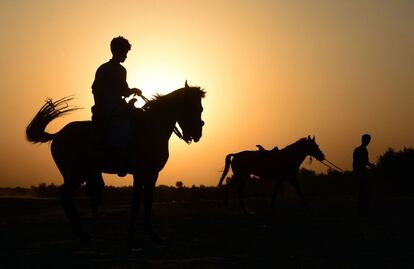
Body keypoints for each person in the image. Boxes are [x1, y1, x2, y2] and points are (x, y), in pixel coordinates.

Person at [91, 36, 142, 175]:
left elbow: (124, 91)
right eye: (124, 52)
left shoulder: (122, 70)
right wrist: (104, 106)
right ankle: (119, 155)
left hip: (118, 104)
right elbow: (96, 90)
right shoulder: (104, 69)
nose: (126, 55)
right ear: (116, 51)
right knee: (122, 124)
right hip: (107, 107)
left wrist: (132, 91)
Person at [353, 134, 375, 216]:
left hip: (358, 172)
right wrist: (372, 166)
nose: (369, 142)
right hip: (362, 174)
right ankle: (364, 210)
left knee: (361, 193)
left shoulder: (357, 149)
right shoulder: (363, 150)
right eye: (368, 140)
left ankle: (360, 210)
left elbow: (354, 162)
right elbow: (365, 162)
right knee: (365, 192)